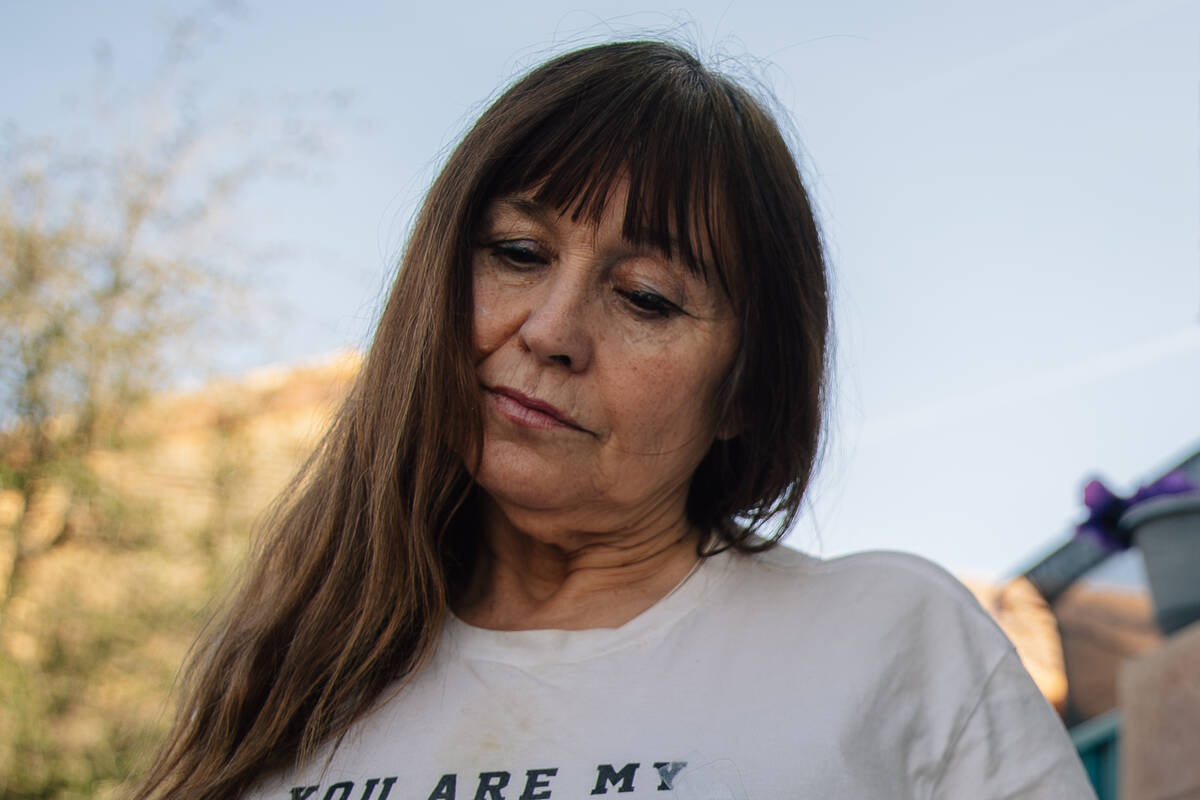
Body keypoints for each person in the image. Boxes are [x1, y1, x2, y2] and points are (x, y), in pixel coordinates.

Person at [134, 41, 1096, 800]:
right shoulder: (286, 680)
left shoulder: (889, 640)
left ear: (746, 392)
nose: (551, 331)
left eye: (645, 299)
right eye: (516, 251)